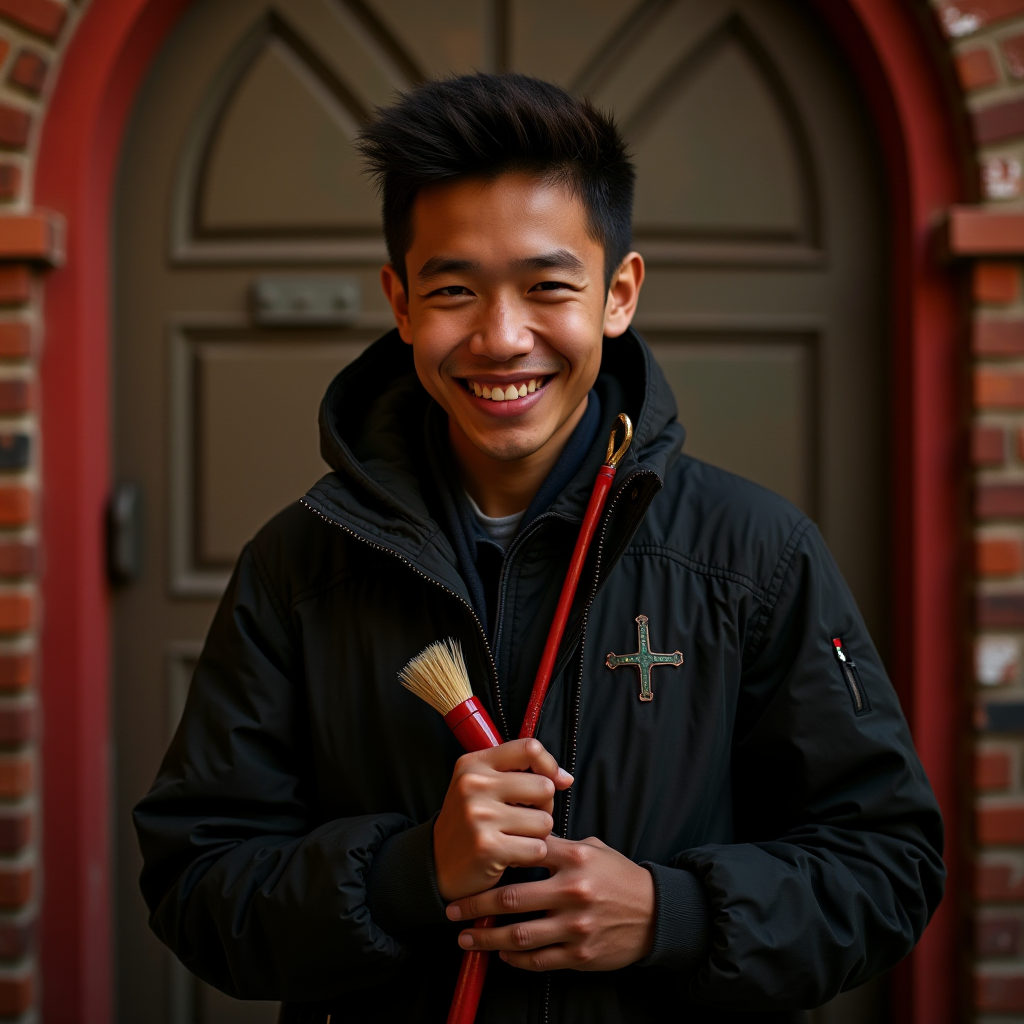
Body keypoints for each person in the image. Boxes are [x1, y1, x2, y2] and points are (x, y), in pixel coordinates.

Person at [133, 73, 944, 1024]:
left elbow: (888, 868)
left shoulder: (755, 555)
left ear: (618, 293)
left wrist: (669, 914)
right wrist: (409, 872)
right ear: (399, 303)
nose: (502, 337)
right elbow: (195, 886)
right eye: (453, 291)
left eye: (548, 286)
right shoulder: (298, 567)